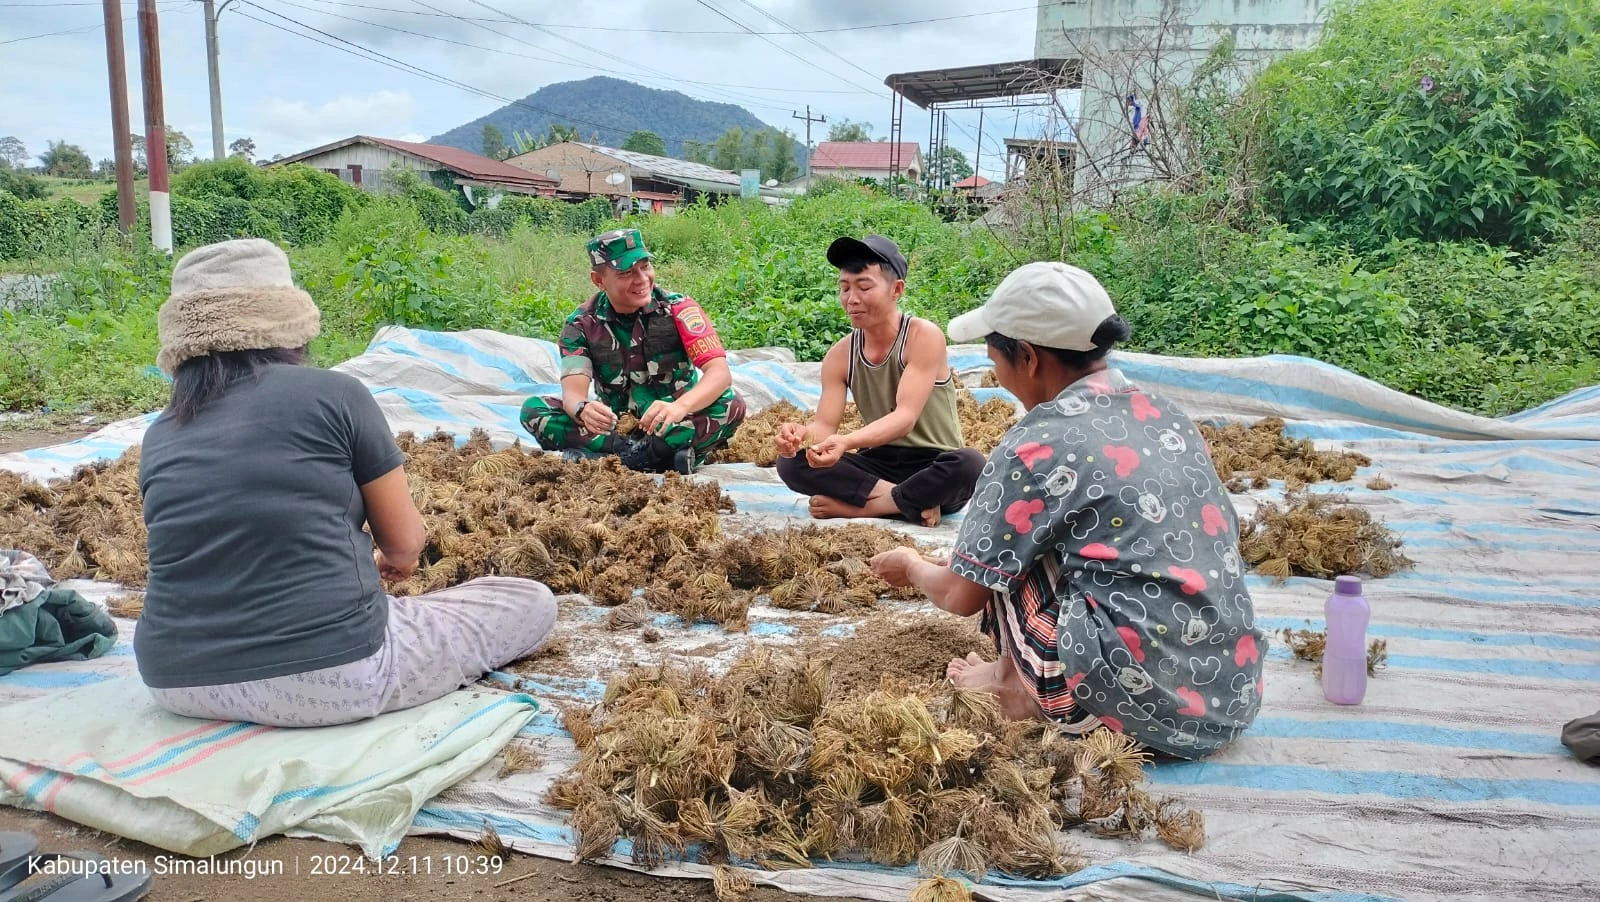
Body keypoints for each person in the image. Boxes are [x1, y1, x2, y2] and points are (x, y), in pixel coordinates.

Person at [136, 238, 557, 728]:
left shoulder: (160, 431)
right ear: (287, 323)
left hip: (175, 682)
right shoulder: (336, 395)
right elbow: (404, 545)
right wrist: (385, 563)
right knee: (529, 601)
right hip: (329, 677)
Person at [869, 262, 1264, 759]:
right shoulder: (1165, 413)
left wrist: (910, 564)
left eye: (995, 355)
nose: (994, 370)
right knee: (1050, 534)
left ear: (1028, 357)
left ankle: (1019, 689)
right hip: (1226, 695)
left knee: (1000, 551)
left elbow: (960, 594)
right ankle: (1007, 670)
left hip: (1129, 704)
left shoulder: (1034, 445)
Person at [774, 235, 984, 527]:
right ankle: (908, 502)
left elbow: (905, 418)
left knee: (971, 465)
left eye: (864, 286)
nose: (852, 298)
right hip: (878, 465)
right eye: (845, 288)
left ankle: (865, 507)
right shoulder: (839, 355)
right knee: (792, 463)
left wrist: (845, 442)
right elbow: (824, 426)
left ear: (896, 289)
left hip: (933, 464)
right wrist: (800, 438)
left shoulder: (923, 337)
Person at [520, 227, 746, 475]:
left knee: (731, 403)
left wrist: (680, 407)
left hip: (672, 421)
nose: (642, 279)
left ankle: (611, 459)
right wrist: (584, 409)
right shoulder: (581, 325)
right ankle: (656, 456)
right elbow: (573, 395)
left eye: (645, 266)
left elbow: (720, 374)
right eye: (626, 272)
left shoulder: (679, 309)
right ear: (599, 280)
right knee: (534, 409)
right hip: (616, 429)